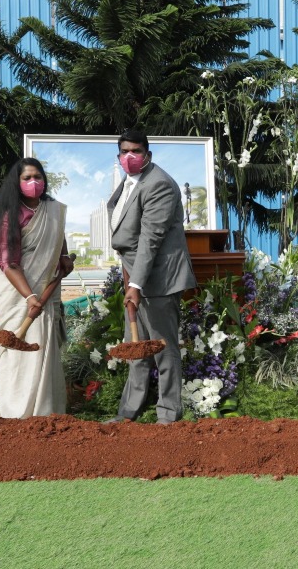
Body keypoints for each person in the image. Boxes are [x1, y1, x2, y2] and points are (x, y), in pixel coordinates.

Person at [106, 130, 194, 423]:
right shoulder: (130, 183)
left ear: (148, 155)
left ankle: (168, 415)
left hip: (159, 279)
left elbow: (150, 238)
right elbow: (127, 240)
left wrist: (136, 284)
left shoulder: (160, 185)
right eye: (124, 152)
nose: (129, 157)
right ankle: (128, 412)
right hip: (136, 273)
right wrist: (129, 279)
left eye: (136, 151)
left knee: (162, 347)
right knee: (137, 348)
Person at [0, 157, 74, 418]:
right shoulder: (9, 215)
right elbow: (8, 263)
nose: (33, 182)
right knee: (16, 354)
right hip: (13, 292)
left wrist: (64, 256)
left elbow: (58, 235)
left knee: (44, 346)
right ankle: (15, 414)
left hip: (44, 290)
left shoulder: (53, 210)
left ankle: (47, 414)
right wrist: (30, 296)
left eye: (38, 177)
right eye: (27, 178)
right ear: (17, 182)